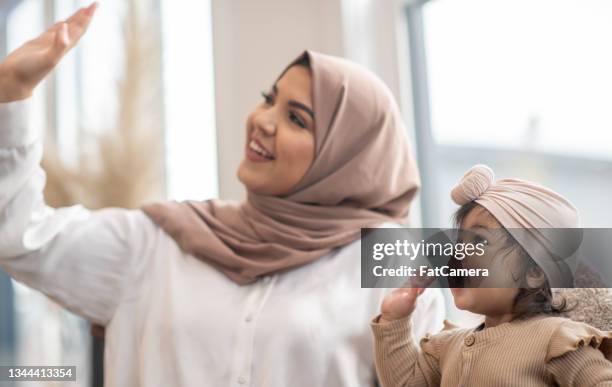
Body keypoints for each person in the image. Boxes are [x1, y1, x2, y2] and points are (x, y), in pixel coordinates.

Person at [0, 3, 444, 386]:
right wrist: (12, 93)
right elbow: (20, 235)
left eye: (297, 119)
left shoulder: (392, 256)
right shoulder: (160, 241)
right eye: (269, 99)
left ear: (347, 157)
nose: (263, 121)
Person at [371, 165, 612, 387]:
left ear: (534, 273)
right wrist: (395, 320)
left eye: (479, 241)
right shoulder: (447, 346)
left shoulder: (556, 341)